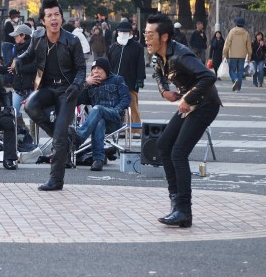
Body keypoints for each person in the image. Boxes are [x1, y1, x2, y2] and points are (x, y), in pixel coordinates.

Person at [146, 13, 221, 228]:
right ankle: (176, 204)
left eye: (151, 34)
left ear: (165, 36)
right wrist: (164, 92)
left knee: (178, 152)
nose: (147, 38)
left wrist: (187, 97)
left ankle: (184, 211)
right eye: (146, 34)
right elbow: (158, 74)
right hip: (190, 103)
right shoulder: (156, 55)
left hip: (206, 105)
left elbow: (208, 76)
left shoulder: (181, 55)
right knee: (163, 145)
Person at [15, 0, 86, 191]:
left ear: (62, 19)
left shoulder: (72, 41)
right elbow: (28, 54)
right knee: (30, 106)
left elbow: (81, 69)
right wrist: (18, 60)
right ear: (43, 21)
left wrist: (76, 86)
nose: (54, 19)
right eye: (49, 16)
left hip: (67, 91)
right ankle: (63, 137)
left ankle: (56, 180)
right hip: (46, 88)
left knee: (60, 137)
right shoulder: (37, 37)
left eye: (57, 15)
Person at [73, 58, 131, 171]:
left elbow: (126, 99)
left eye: (99, 68)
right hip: (98, 121)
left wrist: (117, 110)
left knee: (97, 109)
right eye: (93, 69)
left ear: (106, 70)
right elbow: (76, 101)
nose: (96, 71)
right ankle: (98, 160)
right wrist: (85, 84)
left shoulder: (117, 80)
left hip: (115, 118)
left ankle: (77, 139)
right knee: (99, 121)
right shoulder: (91, 85)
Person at [106, 21, 146, 137]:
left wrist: (140, 79)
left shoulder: (137, 47)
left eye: (125, 31)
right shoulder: (113, 47)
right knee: (118, 108)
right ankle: (121, 129)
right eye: (120, 31)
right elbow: (109, 64)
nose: (122, 33)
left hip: (130, 82)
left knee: (132, 106)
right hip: (115, 83)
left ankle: (136, 129)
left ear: (130, 32)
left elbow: (140, 64)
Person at [0, 24, 35, 123]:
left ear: (23, 35)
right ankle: (22, 133)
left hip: (32, 88)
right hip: (18, 88)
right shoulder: (16, 49)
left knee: (33, 115)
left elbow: (35, 67)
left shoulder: (34, 48)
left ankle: (33, 136)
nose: (14, 38)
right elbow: (8, 67)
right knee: (14, 112)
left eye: (16, 35)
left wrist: (18, 69)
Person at [223, 17, 252, 92]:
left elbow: (227, 44)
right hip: (242, 56)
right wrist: (249, 56)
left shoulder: (232, 32)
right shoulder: (246, 33)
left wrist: (224, 54)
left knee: (231, 70)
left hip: (233, 55)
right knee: (240, 71)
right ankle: (238, 88)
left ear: (236, 23)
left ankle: (235, 79)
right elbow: (249, 46)